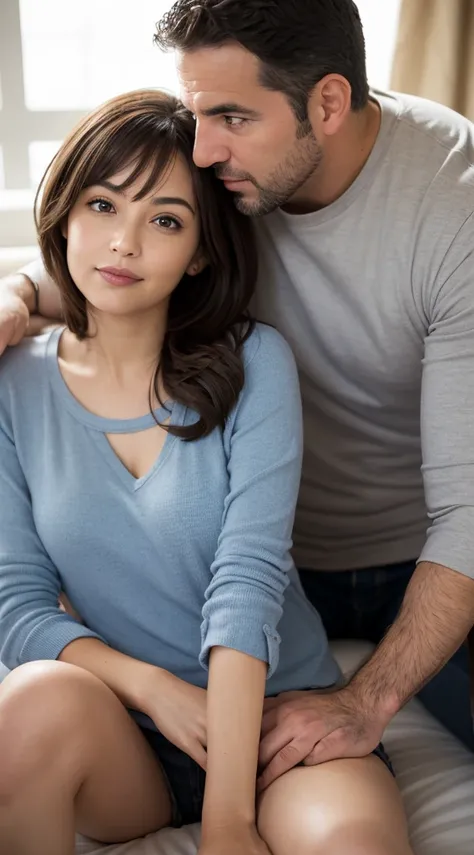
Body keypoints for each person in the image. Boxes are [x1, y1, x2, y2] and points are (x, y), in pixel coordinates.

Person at [2, 0, 474, 789]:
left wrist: (367, 700)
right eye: (194, 111)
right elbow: (118, 251)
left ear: (325, 104)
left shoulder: (452, 208)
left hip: (418, 562)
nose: (203, 145)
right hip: (256, 556)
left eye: (229, 115)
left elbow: (467, 514)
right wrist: (18, 287)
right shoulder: (232, 171)